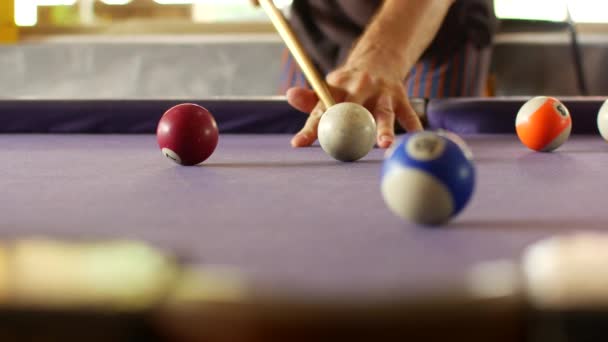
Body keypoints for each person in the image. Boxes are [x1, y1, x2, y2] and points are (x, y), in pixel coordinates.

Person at [258, 0, 497, 149]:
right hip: (319, 25)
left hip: (435, 33)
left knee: (425, 148)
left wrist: (382, 56)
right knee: (302, 132)